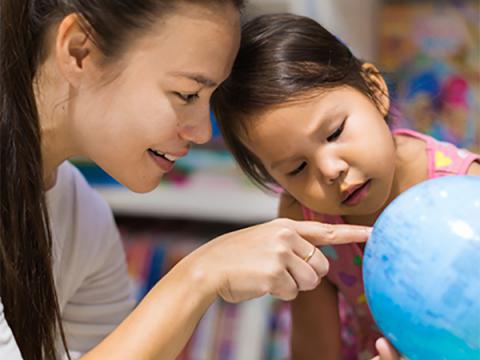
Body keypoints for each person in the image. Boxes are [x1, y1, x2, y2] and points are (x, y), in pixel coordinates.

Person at [0, 1, 382, 359]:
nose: (201, 132)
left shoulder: (84, 217)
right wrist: (198, 275)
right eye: (186, 94)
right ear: (79, 51)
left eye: (209, 99)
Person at [211, 13, 480, 360]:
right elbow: (313, 350)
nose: (330, 170)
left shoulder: (466, 185)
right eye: (297, 168)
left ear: (375, 90)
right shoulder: (304, 219)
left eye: (335, 132)